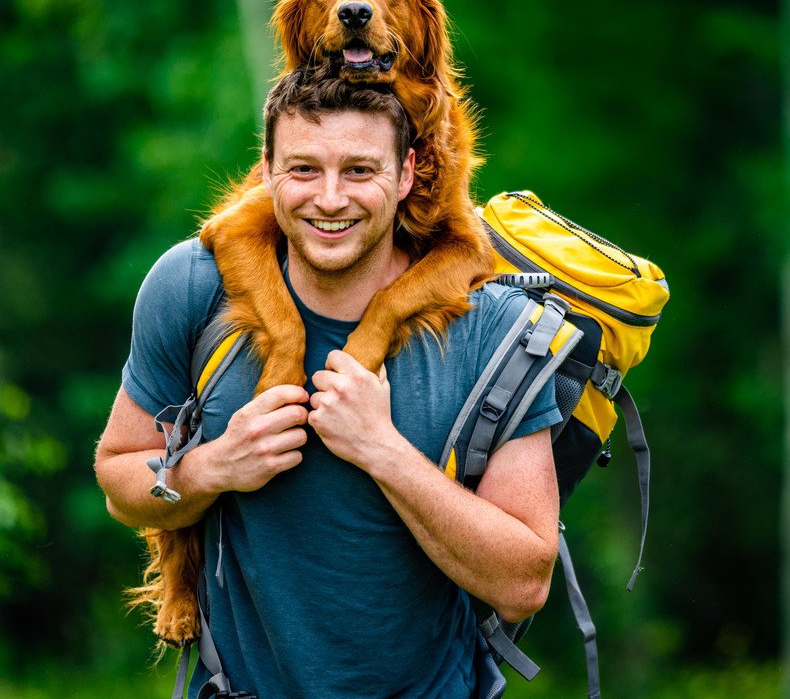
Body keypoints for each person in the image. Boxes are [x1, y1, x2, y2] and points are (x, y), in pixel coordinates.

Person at [94, 69, 564, 699]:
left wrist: (382, 449)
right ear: (266, 173)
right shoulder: (193, 288)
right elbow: (121, 483)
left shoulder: (489, 326)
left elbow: (525, 582)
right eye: (304, 169)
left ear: (405, 176)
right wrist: (212, 467)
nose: (331, 198)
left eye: (361, 171)